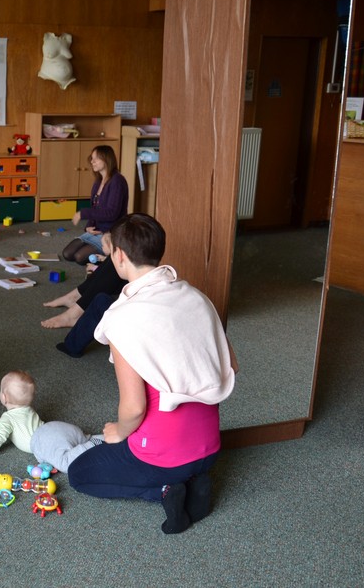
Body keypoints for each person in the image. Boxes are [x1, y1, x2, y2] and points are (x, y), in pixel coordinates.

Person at [65, 213, 238, 534]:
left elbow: (134, 408)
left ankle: (165, 490)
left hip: (161, 455)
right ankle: (195, 480)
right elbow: (231, 367)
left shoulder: (123, 318)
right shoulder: (196, 297)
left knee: (80, 473)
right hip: (210, 446)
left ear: (119, 255)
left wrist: (118, 431)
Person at [61, 145, 129, 265]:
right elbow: (95, 208)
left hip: (110, 233)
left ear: (106, 159)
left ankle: (109, 257)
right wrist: (89, 226)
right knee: (67, 254)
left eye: (96, 158)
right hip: (97, 230)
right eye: (91, 158)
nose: (92, 162)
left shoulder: (117, 181)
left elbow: (112, 213)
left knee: (79, 257)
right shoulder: (98, 181)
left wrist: (83, 213)